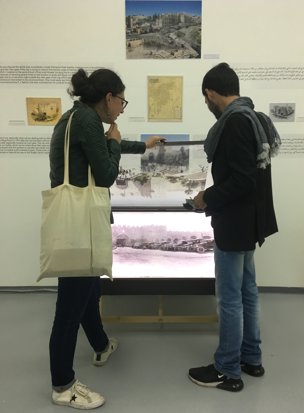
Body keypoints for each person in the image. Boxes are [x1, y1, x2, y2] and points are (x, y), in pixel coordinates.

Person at [48, 68, 164, 409]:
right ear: (109, 97)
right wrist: (116, 144)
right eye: (122, 101)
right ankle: (62, 385)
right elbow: (107, 173)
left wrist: (142, 145)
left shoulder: (75, 117)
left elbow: (102, 146)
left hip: (75, 219)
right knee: (70, 307)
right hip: (80, 225)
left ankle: (100, 344)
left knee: (89, 289)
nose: (122, 109)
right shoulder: (86, 122)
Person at [188, 63, 281, 392]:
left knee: (229, 298)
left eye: (205, 99)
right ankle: (251, 358)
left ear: (211, 93)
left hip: (234, 222)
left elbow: (242, 180)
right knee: (247, 292)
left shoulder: (235, 123)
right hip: (249, 221)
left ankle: (227, 369)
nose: (207, 104)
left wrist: (205, 198)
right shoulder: (253, 117)